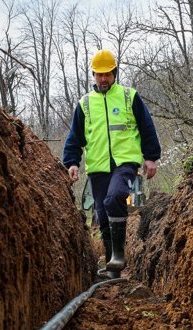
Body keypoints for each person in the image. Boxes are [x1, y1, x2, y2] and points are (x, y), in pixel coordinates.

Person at [63, 49, 161, 279]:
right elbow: (75, 137)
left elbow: (147, 128)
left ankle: (119, 255)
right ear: (93, 75)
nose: (104, 79)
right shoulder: (85, 104)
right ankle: (112, 269)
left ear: (115, 73)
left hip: (125, 162)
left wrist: (150, 157)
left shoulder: (129, 96)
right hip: (98, 168)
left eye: (108, 74)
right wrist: (72, 162)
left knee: (115, 197)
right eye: (99, 75)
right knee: (102, 215)